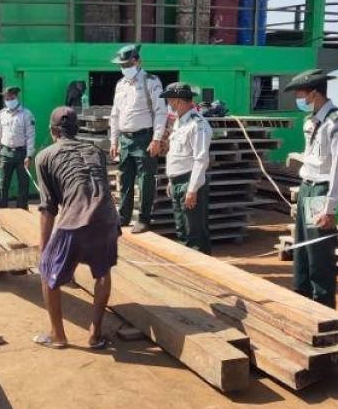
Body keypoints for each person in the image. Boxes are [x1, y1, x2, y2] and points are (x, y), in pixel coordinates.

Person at [34, 106, 120, 350]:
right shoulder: (96, 151)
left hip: (74, 220)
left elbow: (48, 208)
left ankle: (57, 335)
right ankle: (95, 334)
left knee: (48, 272)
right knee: (102, 272)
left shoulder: (45, 156)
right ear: (76, 129)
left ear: (53, 131)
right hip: (107, 218)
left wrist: (43, 250)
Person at [285, 68, 338, 310]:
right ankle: (302, 300)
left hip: (323, 191)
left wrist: (330, 207)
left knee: (319, 254)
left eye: (300, 94)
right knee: (302, 250)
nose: (298, 99)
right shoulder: (311, 120)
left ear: (314, 94)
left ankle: (323, 309)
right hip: (307, 188)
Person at [109, 44, 168, 233]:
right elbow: (115, 114)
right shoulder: (120, 85)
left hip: (144, 138)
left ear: (137, 61)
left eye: (127, 64)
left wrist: (156, 139)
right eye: (121, 65)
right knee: (125, 178)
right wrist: (114, 140)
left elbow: (160, 111)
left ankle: (144, 219)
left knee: (145, 180)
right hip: (125, 139)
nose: (124, 68)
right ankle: (123, 216)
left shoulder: (151, 81)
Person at [160, 83, 213, 253]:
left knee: (194, 232)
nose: (169, 104)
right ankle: (188, 263)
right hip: (177, 182)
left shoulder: (197, 125)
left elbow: (201, 159)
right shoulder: (179, 123)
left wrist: (192, 189)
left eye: (170, 101)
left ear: (180, 101)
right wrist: (171, 180)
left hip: (189, 182)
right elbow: (175, 154)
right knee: (182, 230)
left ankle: (201, 265)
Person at [0, 86, 35, 209]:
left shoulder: (26, 114)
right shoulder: (2, 114)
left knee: (23, 183)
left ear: (16, 97)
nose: (9, 101)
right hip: (5, 152)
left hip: (21, 153)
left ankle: (21, 210)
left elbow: (30, 136)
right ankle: (0, 210)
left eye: (11, 98)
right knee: (2, 183)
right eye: (6, 99)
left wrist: (29, 155)